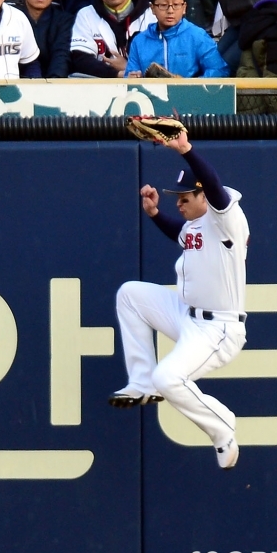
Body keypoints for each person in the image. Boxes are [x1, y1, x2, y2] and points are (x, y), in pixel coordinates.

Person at [109, 127, 250, 471]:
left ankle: (223, 428)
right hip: (187, 316)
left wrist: (186, 149)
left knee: (169, 377)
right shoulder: (196, 225)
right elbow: (182, 234)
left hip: (219, 329)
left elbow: (215, 187)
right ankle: (140, 382)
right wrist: (156, 215)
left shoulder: (226, 220)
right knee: (130, 294)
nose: (179, 201)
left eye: (185, 197)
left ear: (203, 196)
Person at [124, 0, 229, 78]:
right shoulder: (139, 41)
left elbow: (219, 70)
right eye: (164, 5)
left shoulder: (197, 36)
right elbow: (129, 75)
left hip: (188, 95)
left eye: (176, 5)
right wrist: (132, 78)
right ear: (152, 8)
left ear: (184, 8)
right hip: (149, 95)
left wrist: (190, 86)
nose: (170, 10)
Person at [69, 0, 156, 77]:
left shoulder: (152, 12)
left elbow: (164, 59)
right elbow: (81, 59)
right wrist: (118, 74)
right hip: (102, 85)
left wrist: (129, 67)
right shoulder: (86, 14)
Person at [17, 0, 74, 77]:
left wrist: (50, 88)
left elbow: (61, 57)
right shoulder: (11, 18)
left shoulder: (65, 21)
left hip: (53, 88)